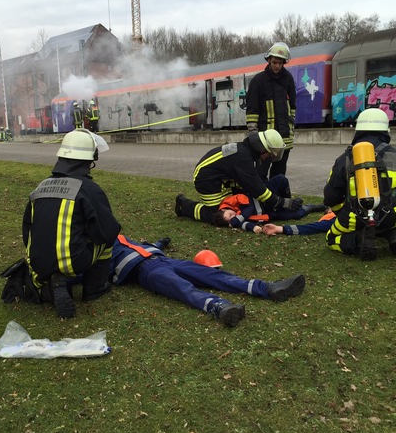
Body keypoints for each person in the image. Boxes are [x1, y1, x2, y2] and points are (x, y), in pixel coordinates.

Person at [22, 128, 121, 318]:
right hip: (72, 262)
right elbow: (107, 231)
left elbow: (27, 230)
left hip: (38, 262)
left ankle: (51, 283)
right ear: (88, 159)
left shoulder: (40, 187)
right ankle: (95, 288)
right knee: (107, 242)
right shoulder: (89, 189)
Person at [110, 236, 306, 327]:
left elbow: (145, 245)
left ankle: (268, 288)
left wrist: (162, 243)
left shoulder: (117, 235)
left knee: (212, 275)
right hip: (145, 271)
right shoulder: (95, 250)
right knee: (182, 288)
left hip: (164, 259)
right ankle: (220, 307)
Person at [323, 108, 396, 260]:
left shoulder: (344, 159)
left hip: (355, 219)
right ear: (385, 130)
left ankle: (358, 241)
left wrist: (343, 213)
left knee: (331, 239)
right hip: (393, 218)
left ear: (358, 131)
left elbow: (330, 197)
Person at [175, 130, 304, 224]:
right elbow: (257, 189)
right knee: (218, 214)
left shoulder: (245, 152)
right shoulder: (244, 158)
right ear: (262, 149)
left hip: (221, 179)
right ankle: (184, 206)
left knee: (237, 205)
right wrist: (282, 202)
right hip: (207, 181)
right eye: (270, 153)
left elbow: (254, 182)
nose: (270, 157)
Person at [263, 209, 396, 254]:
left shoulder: (345, 205)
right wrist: (281, 229)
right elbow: (312, 227)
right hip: (394, 222)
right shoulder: (335, 220)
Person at [246, 42, 296, 182]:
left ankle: (276, 200)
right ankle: (260, 201)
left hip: (284, 137)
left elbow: (292, 106)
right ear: (268, 60)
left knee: (279, 174)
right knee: (260, 174)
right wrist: (253, 132)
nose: (277, 66)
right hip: (265, 140)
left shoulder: (288, 79)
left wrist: (291, 126)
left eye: (280, 63)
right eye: (274, 62)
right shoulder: (258, 81)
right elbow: (252, 109)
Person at [211, 179, 325, 232]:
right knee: (299, 214)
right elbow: (246, 225)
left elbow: (249, 206)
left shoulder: (231, 201)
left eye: (230, 214)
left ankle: (289, 202)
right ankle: (312, 207)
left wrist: (237, 219)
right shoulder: (236, 220)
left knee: (281, 179)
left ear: (225, 209)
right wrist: (254, 228)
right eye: (230, 219)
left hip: (265, 199)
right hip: (270, 214)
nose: (234, 215)